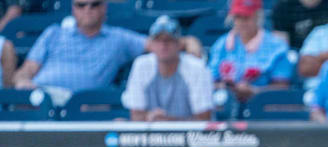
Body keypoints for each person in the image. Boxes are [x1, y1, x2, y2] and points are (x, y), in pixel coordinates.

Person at [12, 0, 203, 104]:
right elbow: (27, 69)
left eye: (94, 4)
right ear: (73, 8)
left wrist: (190, 41)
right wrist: (22, 81)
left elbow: (161, 43)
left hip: (80, 104)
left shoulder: (118, 38)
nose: (88, 9)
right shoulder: (54, 33)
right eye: (81, 5)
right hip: (41, 96)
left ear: (104, 7)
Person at [122, 16, 213, 122]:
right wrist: (151, 118)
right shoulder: (141, 65)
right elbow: (136, 116)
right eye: (158, 40)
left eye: (169, 40)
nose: (163, 45)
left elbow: (204, 119)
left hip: (192, 137)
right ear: (151, 45)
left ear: (179, 44)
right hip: (151, 135)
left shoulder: (196, 67)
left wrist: (167, 121)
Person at [208, 0, 294, 103]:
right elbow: (210, 81)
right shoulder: (221, 44)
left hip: (263, 105)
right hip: (225, 103)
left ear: (258, 16)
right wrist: (227, 88)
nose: (242, 22)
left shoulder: (277, 46)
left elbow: (282, 86)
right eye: (238, 17)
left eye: (247, 17)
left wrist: (255, 91)